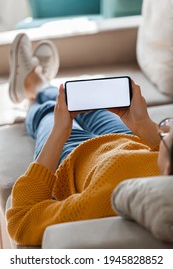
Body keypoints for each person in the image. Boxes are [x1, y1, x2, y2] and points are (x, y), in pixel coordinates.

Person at [6, 33, 173, 246]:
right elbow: (164, 155)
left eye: (165, 134)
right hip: (128, 139)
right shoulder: (165, 165)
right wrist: (142, 124)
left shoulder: (102, 199)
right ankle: (39, 83)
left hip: (72, 157)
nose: (164, 127)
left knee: (50, 113)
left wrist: (59, 132)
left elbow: (21, 220)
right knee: (84, 104)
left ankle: (34, 85)